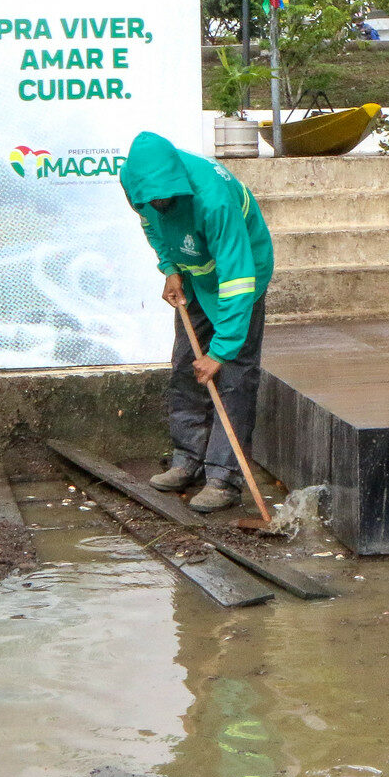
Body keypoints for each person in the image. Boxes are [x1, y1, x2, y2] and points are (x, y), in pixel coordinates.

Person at [119, 131, 274, 513]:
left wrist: (221, 351)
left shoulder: (213, 199)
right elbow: (151, 225)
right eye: (150, 198)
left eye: (164, 197)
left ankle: (223, 476)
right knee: (187, 365)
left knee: (232, 374)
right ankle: (188, 458)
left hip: (239, 275)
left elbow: (237, 277)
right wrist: (169, 268)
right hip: (193, 274)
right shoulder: (136, 184)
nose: (157, 203)